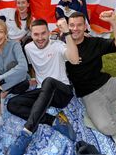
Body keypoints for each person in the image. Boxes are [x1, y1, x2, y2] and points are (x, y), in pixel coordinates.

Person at [7, 18, 80, 155]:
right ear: (31, 34)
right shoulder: (28, 48)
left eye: (43, 33)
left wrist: (67, 33)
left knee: (49, 81)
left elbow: (75, 60)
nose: (40, 38)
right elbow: (33, 65)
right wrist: (33, 77)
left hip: (62, 92)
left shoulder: (57, 45)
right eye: (36, 34)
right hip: (43, 93)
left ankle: (26, 133)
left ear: (48, 32)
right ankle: (54, 121)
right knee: (12, 104)